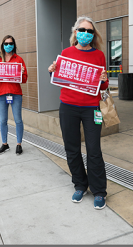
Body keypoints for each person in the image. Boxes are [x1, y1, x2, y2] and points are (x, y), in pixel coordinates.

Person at [48, 16, 109, 210]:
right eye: (82, 30)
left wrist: (105, 79)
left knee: (94, 150)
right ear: (76, 32)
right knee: (72, 149)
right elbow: (60, 77)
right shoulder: (66, 52)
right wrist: (52, 71)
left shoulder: (99, 55)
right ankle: (80, 185)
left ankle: (99, 191)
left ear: (93, 35)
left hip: (92, 108)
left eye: (90, 31)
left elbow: (103, 85)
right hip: (68, 107)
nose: (86, 34)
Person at [0, 35, 28, 155]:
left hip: (15, 93)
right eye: (6, 43)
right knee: (3, 120)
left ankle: (19, 144)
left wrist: (21, 73)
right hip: (1, 94)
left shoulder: (19, 59)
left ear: (14, 45)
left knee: (18, 120)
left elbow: (24, 79)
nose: (8, 45)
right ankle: (5, 144)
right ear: (2, 45)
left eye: (10, 43)